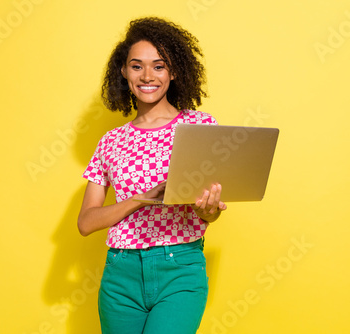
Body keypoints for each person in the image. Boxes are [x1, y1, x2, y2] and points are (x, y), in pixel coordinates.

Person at [77, 17, 227, 334]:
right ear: (123, 71)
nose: (147, 76)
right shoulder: (110, 141)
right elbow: (86, 222)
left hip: (180, 268)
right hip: (121, 275)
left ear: (174, 72)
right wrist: (140, 199)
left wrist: (207, 210)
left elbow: (208, 212)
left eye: (159, 66)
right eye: (137, 66)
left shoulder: (199, 127)